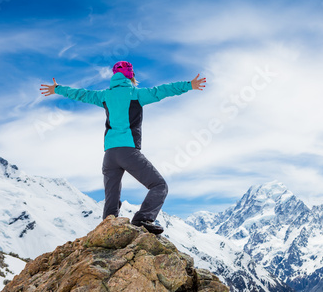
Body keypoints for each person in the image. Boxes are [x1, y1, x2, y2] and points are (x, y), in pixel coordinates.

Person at [40, 61, 206, 234]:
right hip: (128, 151)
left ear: (114, 76)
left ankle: (107, 229)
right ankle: (143, 218)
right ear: (131, 76)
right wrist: (189, 85)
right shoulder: (136, 94)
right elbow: (163, 90)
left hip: (109, 155)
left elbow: (81, 94)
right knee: (159, 186)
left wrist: (57, 88)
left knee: (111, 198)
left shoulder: (104, 95)